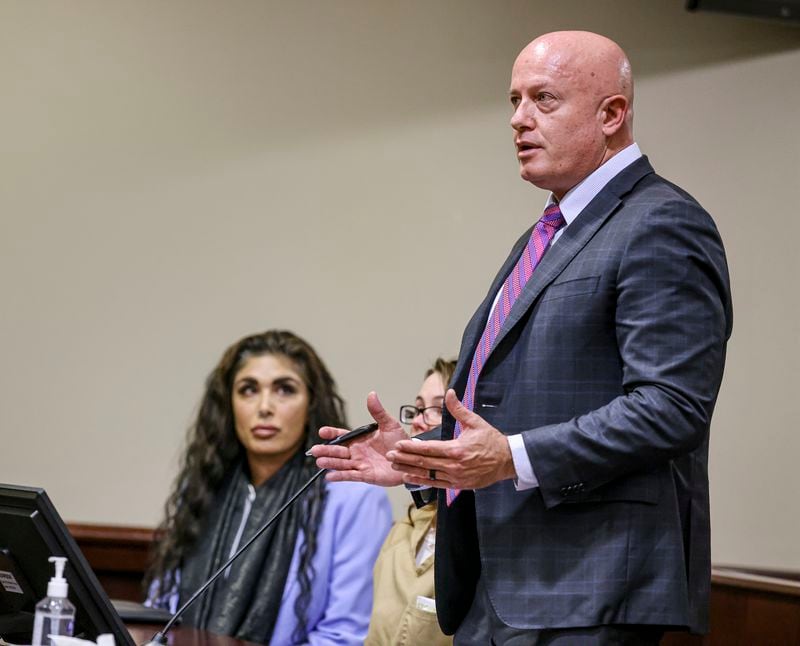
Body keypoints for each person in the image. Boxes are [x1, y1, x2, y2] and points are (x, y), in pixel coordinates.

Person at [312, 30, 732, 645]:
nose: (518, 119)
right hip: (500, 582)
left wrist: (510, 457)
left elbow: (673, 407)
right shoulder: (551, 231)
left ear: (611, 114)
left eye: (544, 99)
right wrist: (422, 456)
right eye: (514, 100)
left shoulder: (661, 222)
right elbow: (522, 403)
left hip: (588, 587)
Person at [144, 329, 392, 645]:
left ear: (311, 404)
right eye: (248, 390)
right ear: (228, 404)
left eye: (284, 390)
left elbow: (344, 636)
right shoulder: (201, 489)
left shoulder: (356, 498)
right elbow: (159, 611)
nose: (265, 407)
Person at [365, 358, 456, 646]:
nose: (417, 421)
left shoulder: (484, 535)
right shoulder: (402, 529)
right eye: (417, 409)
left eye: (437, 410)